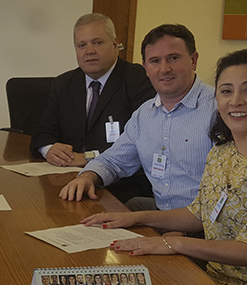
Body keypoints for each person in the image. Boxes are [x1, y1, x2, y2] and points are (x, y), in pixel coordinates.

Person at [82, 49, 247, 285]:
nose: (236, 101)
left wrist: (174, 244)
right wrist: (136, 218)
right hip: (213, 282)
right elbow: (199, 213)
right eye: (226, 91)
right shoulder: (223, 151)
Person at [60, 24, 216, 211]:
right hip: (161, 214)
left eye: (173, 58)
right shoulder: (145, 114)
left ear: (193, 60)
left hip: (206, 223)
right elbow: (114, 160)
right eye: (155, 61)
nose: (164, 69)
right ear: (146, 68)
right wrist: (87, 176)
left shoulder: (220, 110)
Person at [31, 14, 155, 201]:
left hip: (120, 188)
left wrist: (89, 157)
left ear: (115, 44)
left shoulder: (138, 79)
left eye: (97, 42)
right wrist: (48, 149)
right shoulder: (64, 83)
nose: (89, 51)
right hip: (68, 181)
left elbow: (142, 142)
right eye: (82, 45)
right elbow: (42, 132)